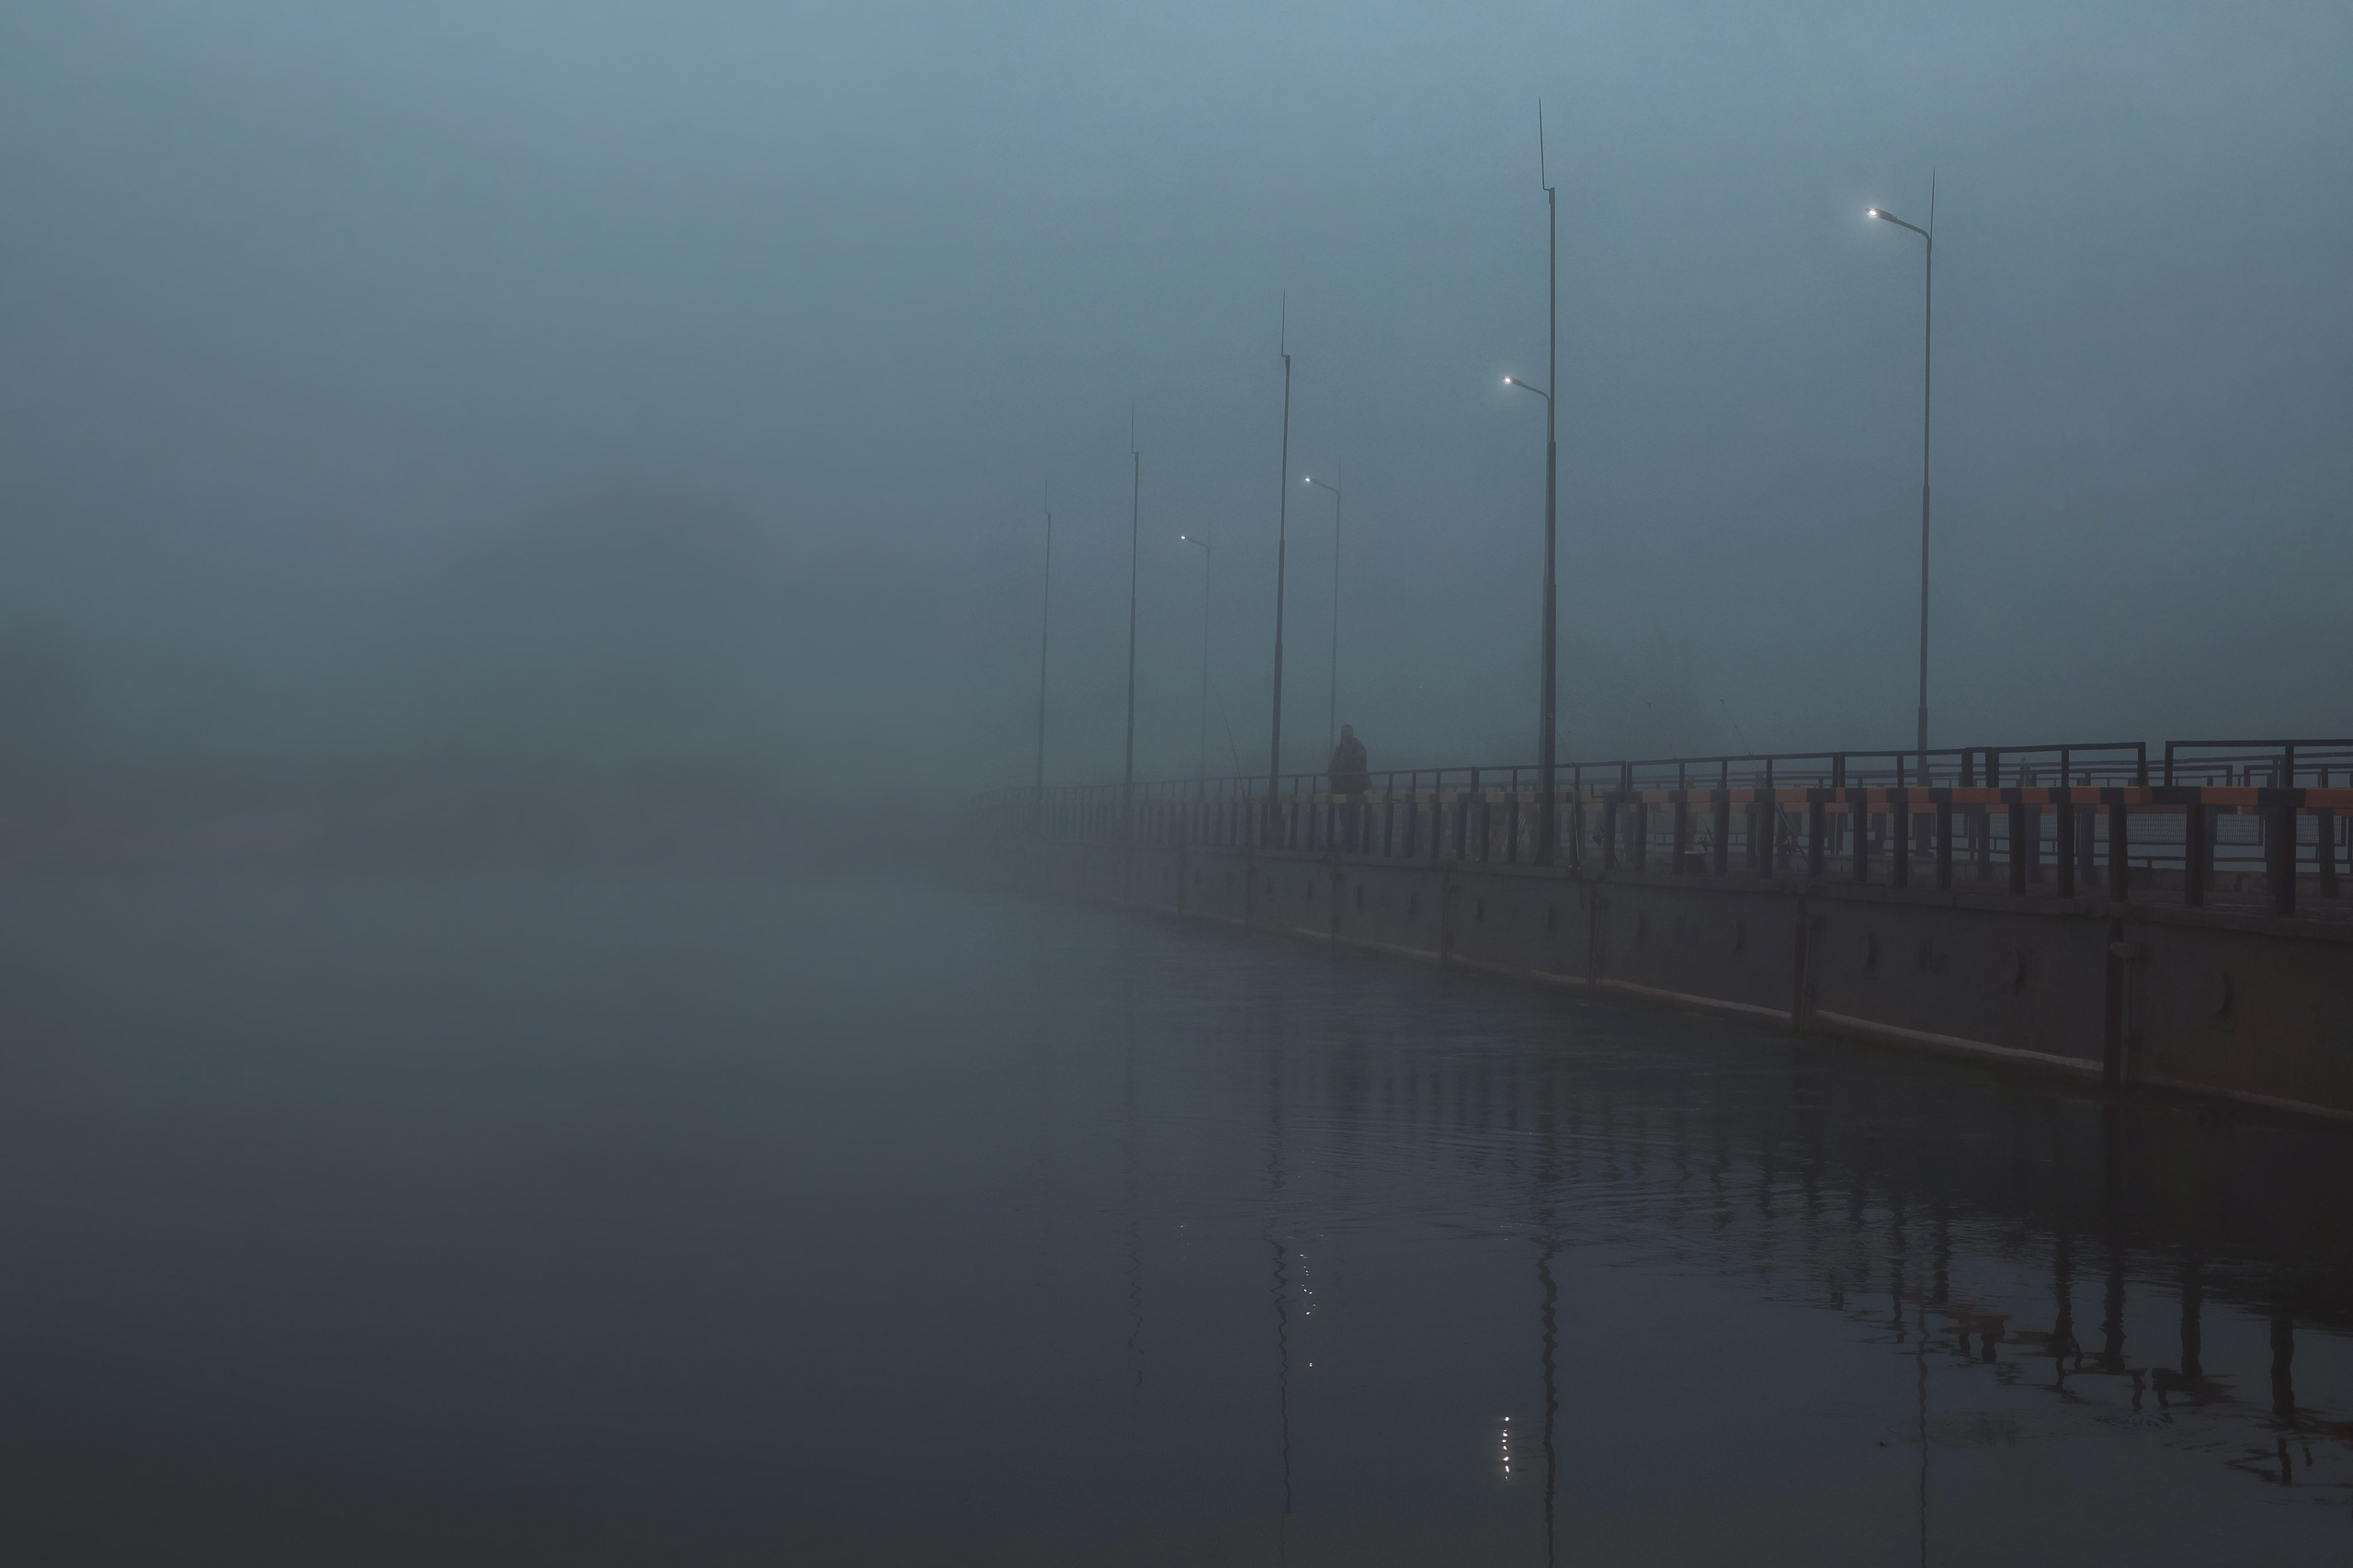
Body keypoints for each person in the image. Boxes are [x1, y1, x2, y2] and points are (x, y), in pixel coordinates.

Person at [1327, 724, 1370, 797]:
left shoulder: (1358, 746)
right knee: (1340, 804)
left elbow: (1360, 764)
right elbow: (1333, 766)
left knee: (1352, 803)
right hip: (1339, 786)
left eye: (1347, 732)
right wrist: (1332, 773)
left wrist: (1345, 766)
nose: (1345, 734)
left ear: (1352, 734)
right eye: (1343, 732)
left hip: (1354, 785)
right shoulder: (1339, 750)